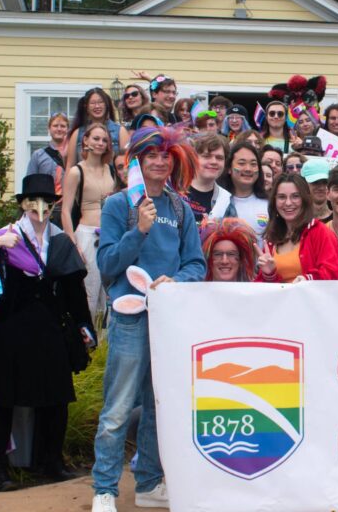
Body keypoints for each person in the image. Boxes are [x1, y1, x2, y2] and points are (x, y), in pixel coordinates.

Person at [92, 126, 205, 512]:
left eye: (165, 155)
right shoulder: (118, 206)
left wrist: (177, 280)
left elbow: (196, 263)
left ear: (174, 161)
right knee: (118, 408)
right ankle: (104, 488)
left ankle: (149, 484)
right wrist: (137, 231)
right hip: (128, 319)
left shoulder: (179, 208)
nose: (159, 161)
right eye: (150, 155)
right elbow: (107, 264)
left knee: (159, 407)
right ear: (136, 160)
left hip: (167, 322)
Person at [0, 174, 93, 491]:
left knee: (55, 399)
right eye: (33, 201)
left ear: (54, 204)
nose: (40, 207)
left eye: (47, 200)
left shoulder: (60, 241)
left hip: (49, 331)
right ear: (23, 204)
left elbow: (74, 290)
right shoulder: (5, 238)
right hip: (9, 333)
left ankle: (52, 462)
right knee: (5, 401)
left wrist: (84, 325)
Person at [61, 123, 117, 330]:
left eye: (104, 140)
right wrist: (72, 244)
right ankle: (87, 340)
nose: (100, 143)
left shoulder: (110, 170)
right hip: (86, 234)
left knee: (109, 292)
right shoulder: (77, 171)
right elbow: (65, 210)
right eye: (96, 138)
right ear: (85, 140)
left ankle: (105, 344)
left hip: (110, 235)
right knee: (89, 291)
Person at [254, 174, 338, 282]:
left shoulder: (320, 232)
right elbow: (264, 290)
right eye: (282, 197)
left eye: (295, 196)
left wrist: (307, 280)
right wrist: (270, 275)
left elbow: (335, 274)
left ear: (305, 199)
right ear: (274, 201)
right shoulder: (271, 239)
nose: (288, 203)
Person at [65, 88, 128, 169]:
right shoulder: (77, 133)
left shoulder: (120, 131)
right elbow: (70, 166)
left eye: (100, 102)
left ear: (106, 105)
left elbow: (128, 163)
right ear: (86, 107)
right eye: (93, 103)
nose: (97, 106)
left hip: (112, 180)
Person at [222, 143, 270, 244]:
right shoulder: (218, 201)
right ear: (229, 168)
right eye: (241, 163)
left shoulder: (270, 204)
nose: (248, 169)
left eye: (253, 164)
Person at [27, 111, 69, 226]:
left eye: (63, 126)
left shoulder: (73, 155)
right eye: (55, 126)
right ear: (49, 128)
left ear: (67, 129)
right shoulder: (38, 155)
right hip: (45, 209)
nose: (59, 129)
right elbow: (31, 185)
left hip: (68, 209)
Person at [188, 133, 231, 223]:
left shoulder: (226, 200)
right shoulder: (174, 189)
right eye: (207, 156)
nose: (214, 162)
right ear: (194, 158)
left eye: (219, 158)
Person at [200, 218, 258, 282]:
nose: (224, 261)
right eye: (217, 254)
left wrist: (268, 275)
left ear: (241, 260)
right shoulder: (196, 290)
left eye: (231, 254)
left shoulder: (252, 290)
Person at [301, 157, 332, 222]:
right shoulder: (296, 219)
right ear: (304, 183)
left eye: (325, 182)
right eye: (315, 182)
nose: (321, 187)